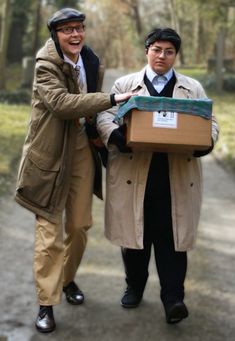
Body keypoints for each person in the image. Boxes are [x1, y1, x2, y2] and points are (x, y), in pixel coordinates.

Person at [15, 7, 134, 333]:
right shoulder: (45, 65)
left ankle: (66, 280)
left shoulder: (91, 60)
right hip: (49, 155)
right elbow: (62, 104)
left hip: (82, 149)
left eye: (79, 28)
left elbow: (91, 115)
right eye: (68, 29)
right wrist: (109, 98)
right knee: (49, 235)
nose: (75, 35)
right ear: (56, 34)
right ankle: (46, 303)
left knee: (80, 226)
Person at [97, 28, 219, 324]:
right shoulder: (126, 83)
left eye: (168, 51)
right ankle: (134, 287)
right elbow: (104, 114)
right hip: (134, 175)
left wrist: (207, 142)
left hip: (175, 177)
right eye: (157, 49)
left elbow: (210, 121)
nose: (161, 56)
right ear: (146, 50)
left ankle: (173, 299)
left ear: (175, 55)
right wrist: (115, 136)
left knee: (172, 240)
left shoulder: (192, 87)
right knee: (135, 239)